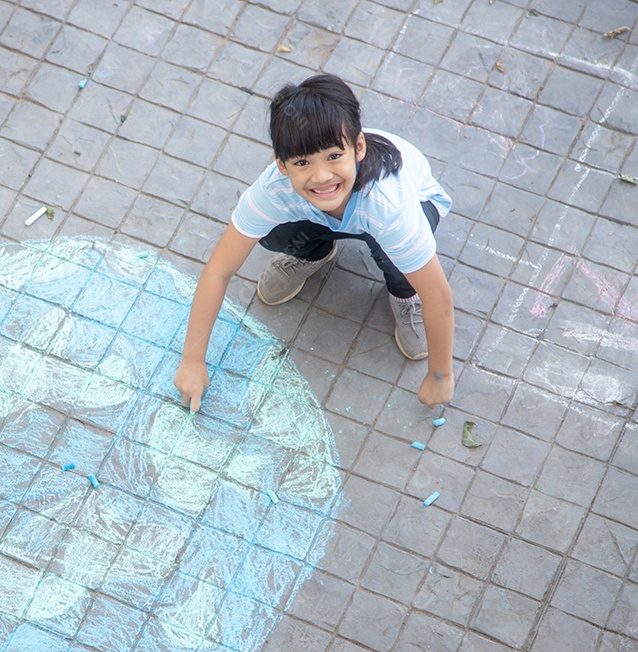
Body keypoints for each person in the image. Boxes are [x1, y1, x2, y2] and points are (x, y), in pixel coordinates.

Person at [174, 73, 455, 412]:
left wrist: (441, 375)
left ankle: (403, 292)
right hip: (329, 213)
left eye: (334, 156)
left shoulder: (390, 207)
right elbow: (219, 270)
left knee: (399, 258)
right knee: (270, 232)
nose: (321, 176)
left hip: (412, 205)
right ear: (281, 165)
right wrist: (192, 360)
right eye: (302, 162)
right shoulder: (273, 190)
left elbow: (437, 293)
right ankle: (315, 253)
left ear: (359, 148)